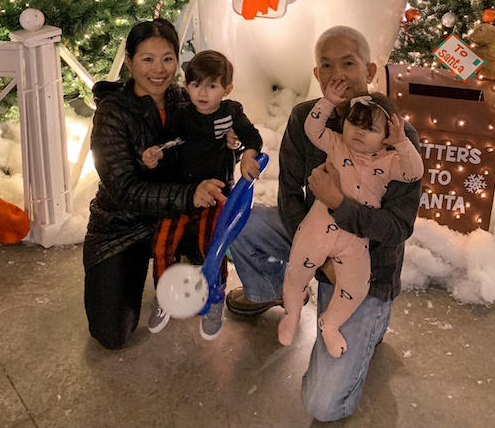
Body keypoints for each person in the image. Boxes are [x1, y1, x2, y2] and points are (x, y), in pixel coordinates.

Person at [226, 25, 421, 422]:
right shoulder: (307, 119)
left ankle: (371, 322)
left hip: (365, 260)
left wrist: (337, 205)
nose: (338, 73)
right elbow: (288, 195)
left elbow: (397, 229)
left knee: (323, 405)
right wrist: (311, 251)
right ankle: (271, 291)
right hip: (314, 234)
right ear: (316, 75)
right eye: (327, 65)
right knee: (240, 224)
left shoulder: (399, 137)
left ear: (368, 68)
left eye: (348, 63)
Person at [83, 19, 227, 351]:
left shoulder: (184, 99)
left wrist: (232, 141)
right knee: (111, 334)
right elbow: (124, 190)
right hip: (122, 226)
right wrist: (190, 194)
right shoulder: (113, 114)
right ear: (130, 61)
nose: (158, 69)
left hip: (175, 218)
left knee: (216, 231)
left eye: (167, 58)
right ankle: (133, 268)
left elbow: (209, 142)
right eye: (147, 59)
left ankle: (190, 271)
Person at [278, 81, 423, 357]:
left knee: (356, 286)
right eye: (354, 124)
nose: (359, 132)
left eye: (370, 129)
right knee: (296, 271)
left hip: (355, 239)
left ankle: (330, 325)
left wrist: (401, 143)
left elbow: (413, 172)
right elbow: (312, 129)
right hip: (318, 227)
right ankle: (292, 313)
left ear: (385, 137)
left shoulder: (389, 162)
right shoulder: (336, 143)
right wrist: (328, 103)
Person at [141, 49, 262, 340]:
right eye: (196, 84)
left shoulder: (231, 112)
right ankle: (164, 293)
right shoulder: (182, 113)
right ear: (186, 87)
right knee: (161, 244)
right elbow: (170, 140)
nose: (203, 93)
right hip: (183, 192)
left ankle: (214, 297)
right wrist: (154, 152)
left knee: (213, 247)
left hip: (218, 193)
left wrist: (247, 155)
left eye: (211, 85)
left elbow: (252, 136)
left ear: (226, 89)